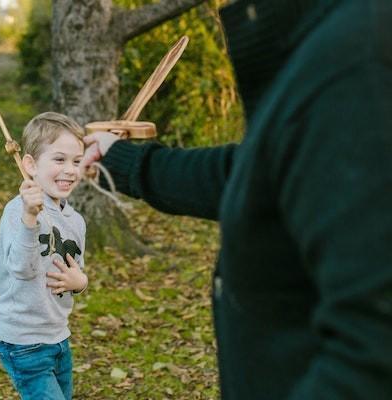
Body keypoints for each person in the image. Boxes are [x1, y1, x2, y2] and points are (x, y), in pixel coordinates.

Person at [81, 0, 392, 398]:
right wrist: (128, 162)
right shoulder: (325, 43)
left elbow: (375, 350)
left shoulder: (358, 61)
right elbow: (258, 171)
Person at [0, 112, 89, 400]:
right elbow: (21, 269)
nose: (70, 170)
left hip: (59, 337)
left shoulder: (76, 220)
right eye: (59, 160)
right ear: (30, 165)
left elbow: (76, 272)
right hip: (23, 341)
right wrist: (30, 219)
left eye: (77, 161)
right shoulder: (17, 211)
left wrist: (80, 282)